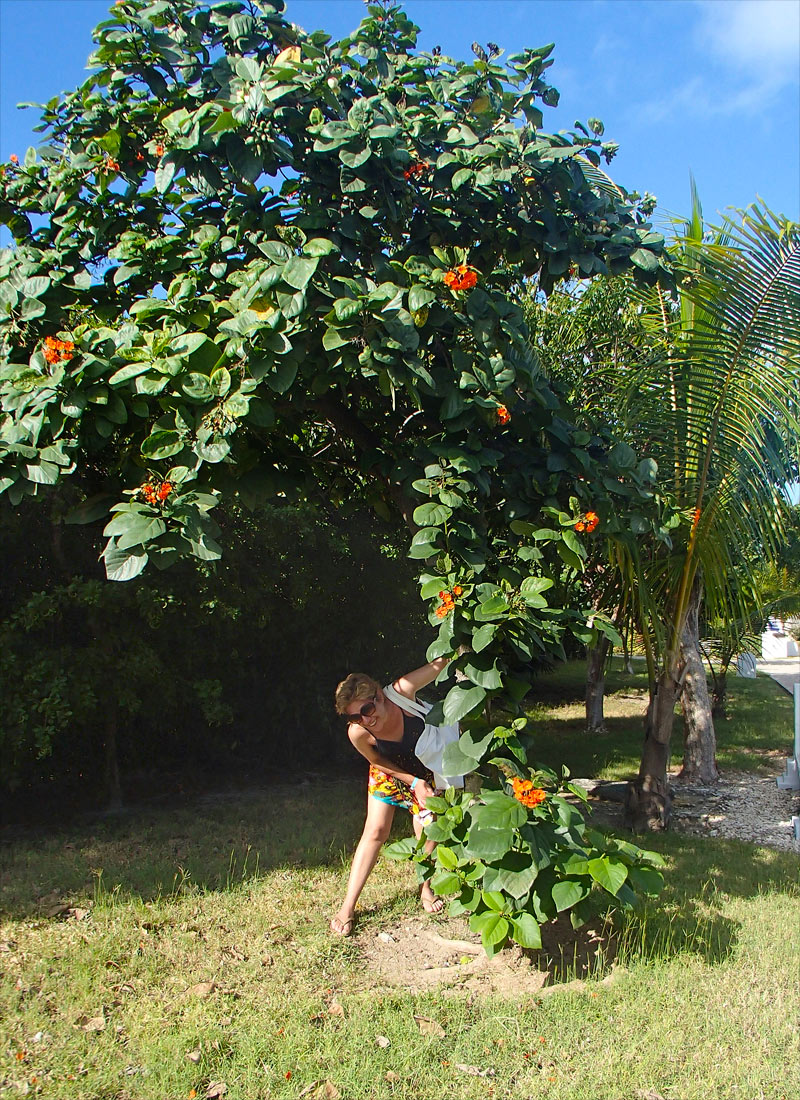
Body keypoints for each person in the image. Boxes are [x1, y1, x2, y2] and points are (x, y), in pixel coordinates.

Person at [330, 656, 462, 936]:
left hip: (424, 771)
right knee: (375, 831)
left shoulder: (400, 693)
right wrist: (411, 782)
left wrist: (462, 645)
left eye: (367, 709)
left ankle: (425, 889)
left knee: (427, 829)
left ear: (378, 695)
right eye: (355, 716)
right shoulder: (358, 732)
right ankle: (347, 906)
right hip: (391, 772)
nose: (365, 720)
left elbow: (440, 664)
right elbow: (376, 761)